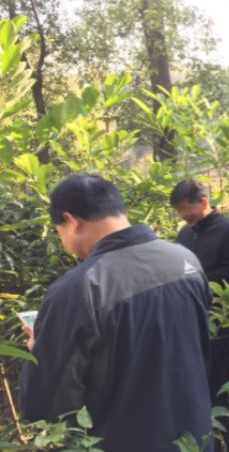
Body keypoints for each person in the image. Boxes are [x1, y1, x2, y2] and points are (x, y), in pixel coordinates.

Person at [19, 175, 213, 452]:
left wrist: (39, 349)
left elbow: (46, 403)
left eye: (58, 230)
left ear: (71, 221)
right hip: (195, 436)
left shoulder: (79, 288)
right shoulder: (184, 259)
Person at [171, 179, 229, 450]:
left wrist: (193, 279)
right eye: (178, 211)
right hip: (188, 320)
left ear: (203, 201)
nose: (183, 215)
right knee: (192, 386)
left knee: (216, 388)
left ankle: (221, 443)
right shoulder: (184, 234)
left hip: (219, 322)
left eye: (185, 208)